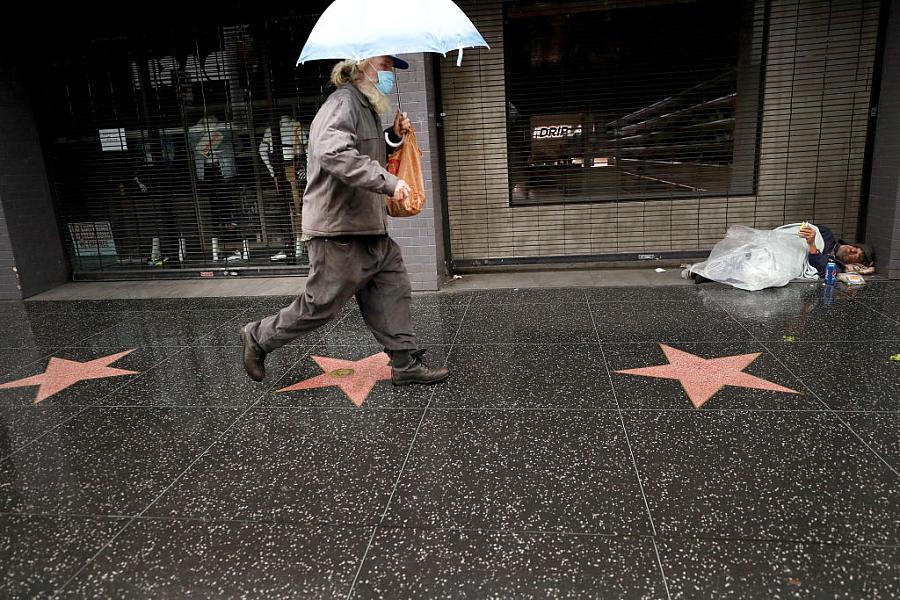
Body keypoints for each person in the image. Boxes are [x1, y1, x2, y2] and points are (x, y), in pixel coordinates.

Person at [240, 55, 449, 386]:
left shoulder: (365, 106)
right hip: (338, 230)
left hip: (368, 226)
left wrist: (392, 137)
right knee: (319, 305)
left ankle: (404, 364)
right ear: (362, 65)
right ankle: (258, 336)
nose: (390, 74)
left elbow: (365, 150)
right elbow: (334, 153)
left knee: (393, 288)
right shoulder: (343, 103)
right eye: (386, 66)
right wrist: (391, 183)